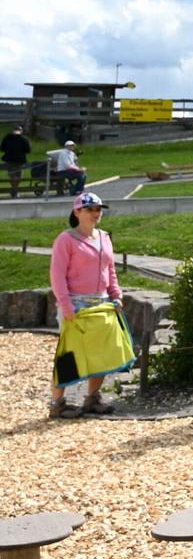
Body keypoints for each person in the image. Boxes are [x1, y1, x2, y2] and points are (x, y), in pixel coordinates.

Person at [48, 192, 134, 418]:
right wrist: (65, 305)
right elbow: (57, 275)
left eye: (98, 209)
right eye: (89, 209)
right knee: (69, 355)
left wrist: (116, 294)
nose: (95, 213)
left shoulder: (104, 237)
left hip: (102, 302)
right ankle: (57, 404)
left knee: (102, 352)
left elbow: (110, 269)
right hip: (76, 304)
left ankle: (92, 398)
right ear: (77, 212)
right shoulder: (65, 240)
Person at [2, 125, 31, 198]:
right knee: (18, 176)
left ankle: (14, 191)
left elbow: (2, 147)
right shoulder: (24, 139)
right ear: (21, 131)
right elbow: (28, 150)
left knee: (12, 175)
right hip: (20, 160)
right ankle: (15, 191)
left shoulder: (7, 138)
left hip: (9, 159)